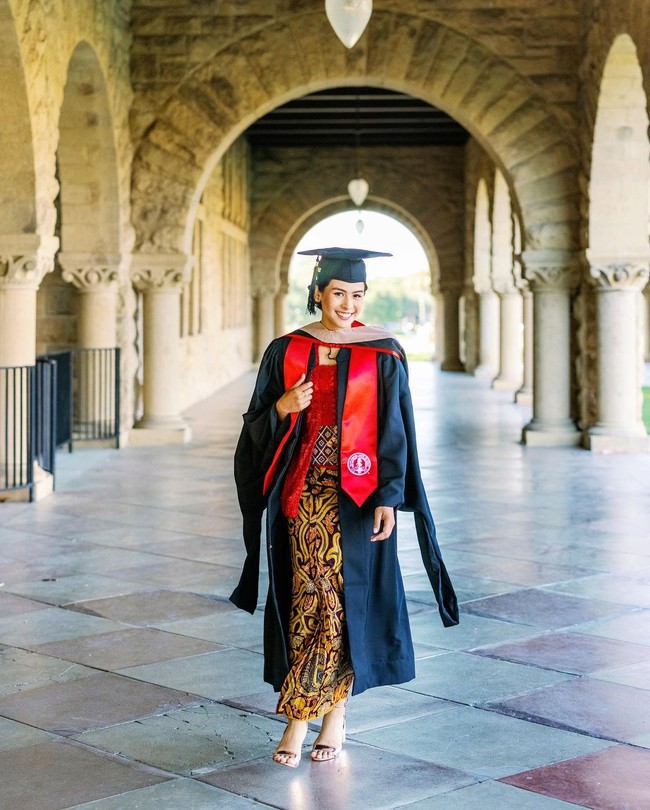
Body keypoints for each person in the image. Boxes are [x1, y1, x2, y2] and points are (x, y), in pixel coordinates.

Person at [230, 247, 458, 768]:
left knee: (338, 600)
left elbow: (395, 432)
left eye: (357, 296)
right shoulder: (286, 350)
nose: (348, 305)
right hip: (301, 493)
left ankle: (310, 716)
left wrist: (390, 497)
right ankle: (322, 714)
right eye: (338, 294)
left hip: (357, 497)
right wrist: (283, 408)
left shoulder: (384, 352)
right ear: (318, 293)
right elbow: (255, 424)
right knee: (312, 597)